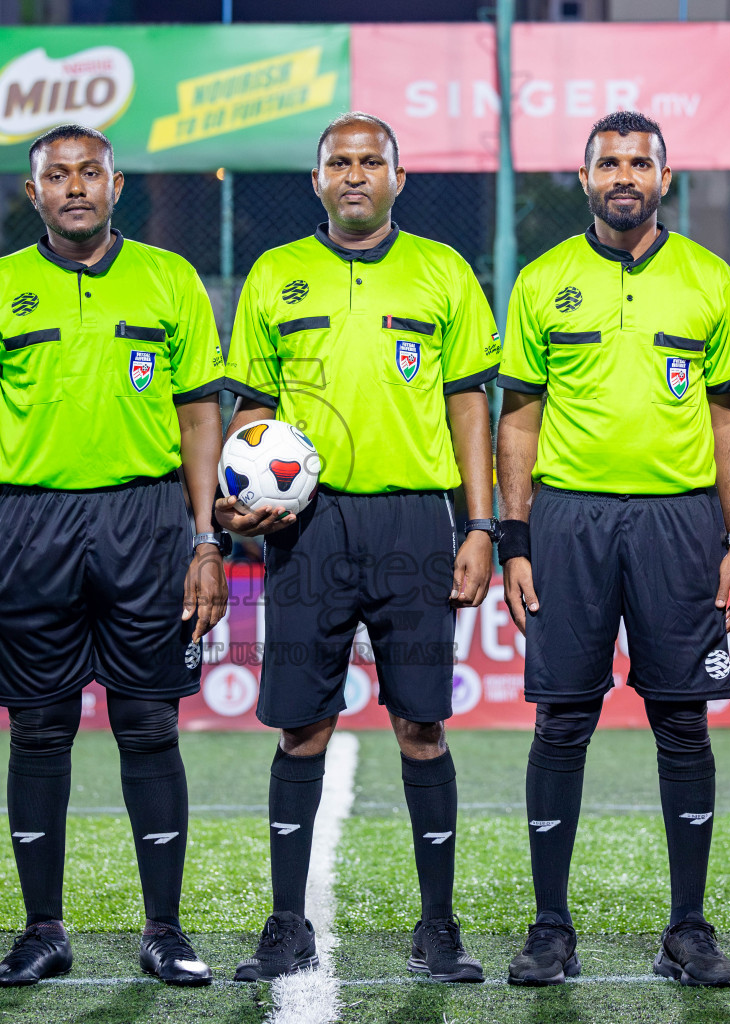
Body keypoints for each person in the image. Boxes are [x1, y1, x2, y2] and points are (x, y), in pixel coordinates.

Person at [0, 124, 227, 988]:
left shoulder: (170, 280)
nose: (73, 187)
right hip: (29, 525)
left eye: (88, 172)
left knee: (148, 723)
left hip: (148, 520)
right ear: (34, 194)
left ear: (115, 183)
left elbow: (199, 418)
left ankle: (164, 930)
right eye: (55, 176)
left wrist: (207, 537)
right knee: (39, 727)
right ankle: (42, 930)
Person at [221, 112, 500, 984]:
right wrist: (240, 493)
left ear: (397, 176)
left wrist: (482, 525)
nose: (353, 174)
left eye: (369, 160)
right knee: (302, 728)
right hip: (307, 528)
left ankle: (439, 926)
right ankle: (284, 923)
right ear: (316, 181)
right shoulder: (275, 274)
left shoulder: (443, 271)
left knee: (422, 724)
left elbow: (467, 409)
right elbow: (250, 413)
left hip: (416, 525)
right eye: (337, 162)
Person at [495, 111, 730, 987]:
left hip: (680, 524)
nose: (624, 175)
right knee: (563, 719)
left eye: (640, 162)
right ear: (585, 176)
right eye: (609, 162)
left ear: (664, 179)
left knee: (682, 721)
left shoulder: (710, 280)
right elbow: (518, 418)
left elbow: (728, 422)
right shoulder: (541, 280)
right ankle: (550, 929)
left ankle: (688, 929)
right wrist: (514, 536)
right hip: (568, 523)